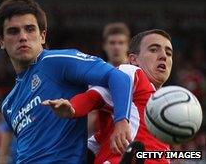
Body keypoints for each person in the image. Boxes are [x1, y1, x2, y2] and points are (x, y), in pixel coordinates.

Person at [0, 0, 133, 163]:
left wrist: (121, 122)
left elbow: (118, 77)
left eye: (30, 29)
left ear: (43, 36)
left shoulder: (57, 62)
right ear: (1, 42)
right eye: (13, 31)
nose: (23, 37)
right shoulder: (8, 105)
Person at [43, 29, 173, 164]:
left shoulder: (161, 106)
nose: (163, 56)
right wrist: (73, 108)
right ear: (133, 60)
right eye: (153, 50)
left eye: (168, 53)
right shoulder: (131, 73)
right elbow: (94, 96)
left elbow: (99, 142)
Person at [88, 22, 131, 137]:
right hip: (106, 138)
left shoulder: (139, 71)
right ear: (104, 45)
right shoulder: (95, 76)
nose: (116, 47)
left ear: (127, 46)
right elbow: (92, 114)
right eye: (112, 43)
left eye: (121, 43)